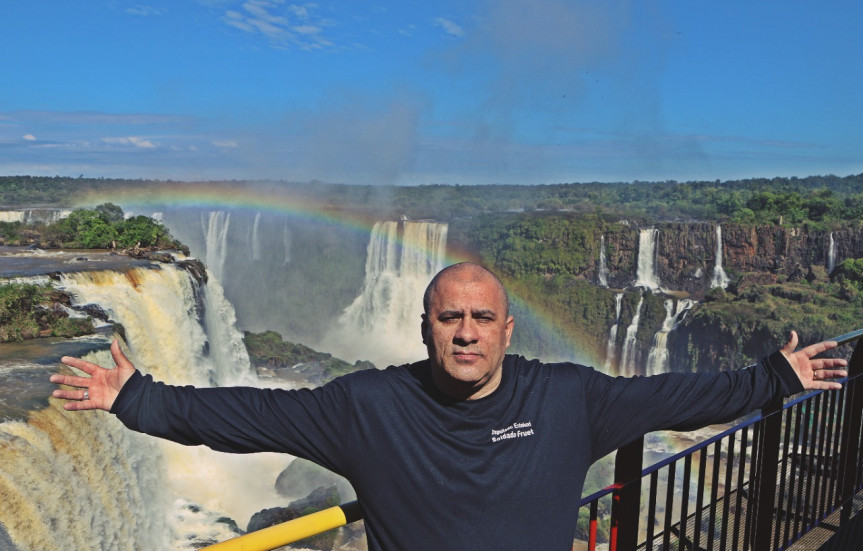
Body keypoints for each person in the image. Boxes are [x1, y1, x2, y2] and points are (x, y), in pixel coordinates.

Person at [51, 262, 848, 551]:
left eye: (479, 318)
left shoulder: (570, 397)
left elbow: (677, 393)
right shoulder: (365, 405)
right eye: (447, 317)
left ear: (506, 328)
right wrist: (138, 396)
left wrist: (773, 377)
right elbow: (247, 414)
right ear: (424, 325)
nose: (464, 332)